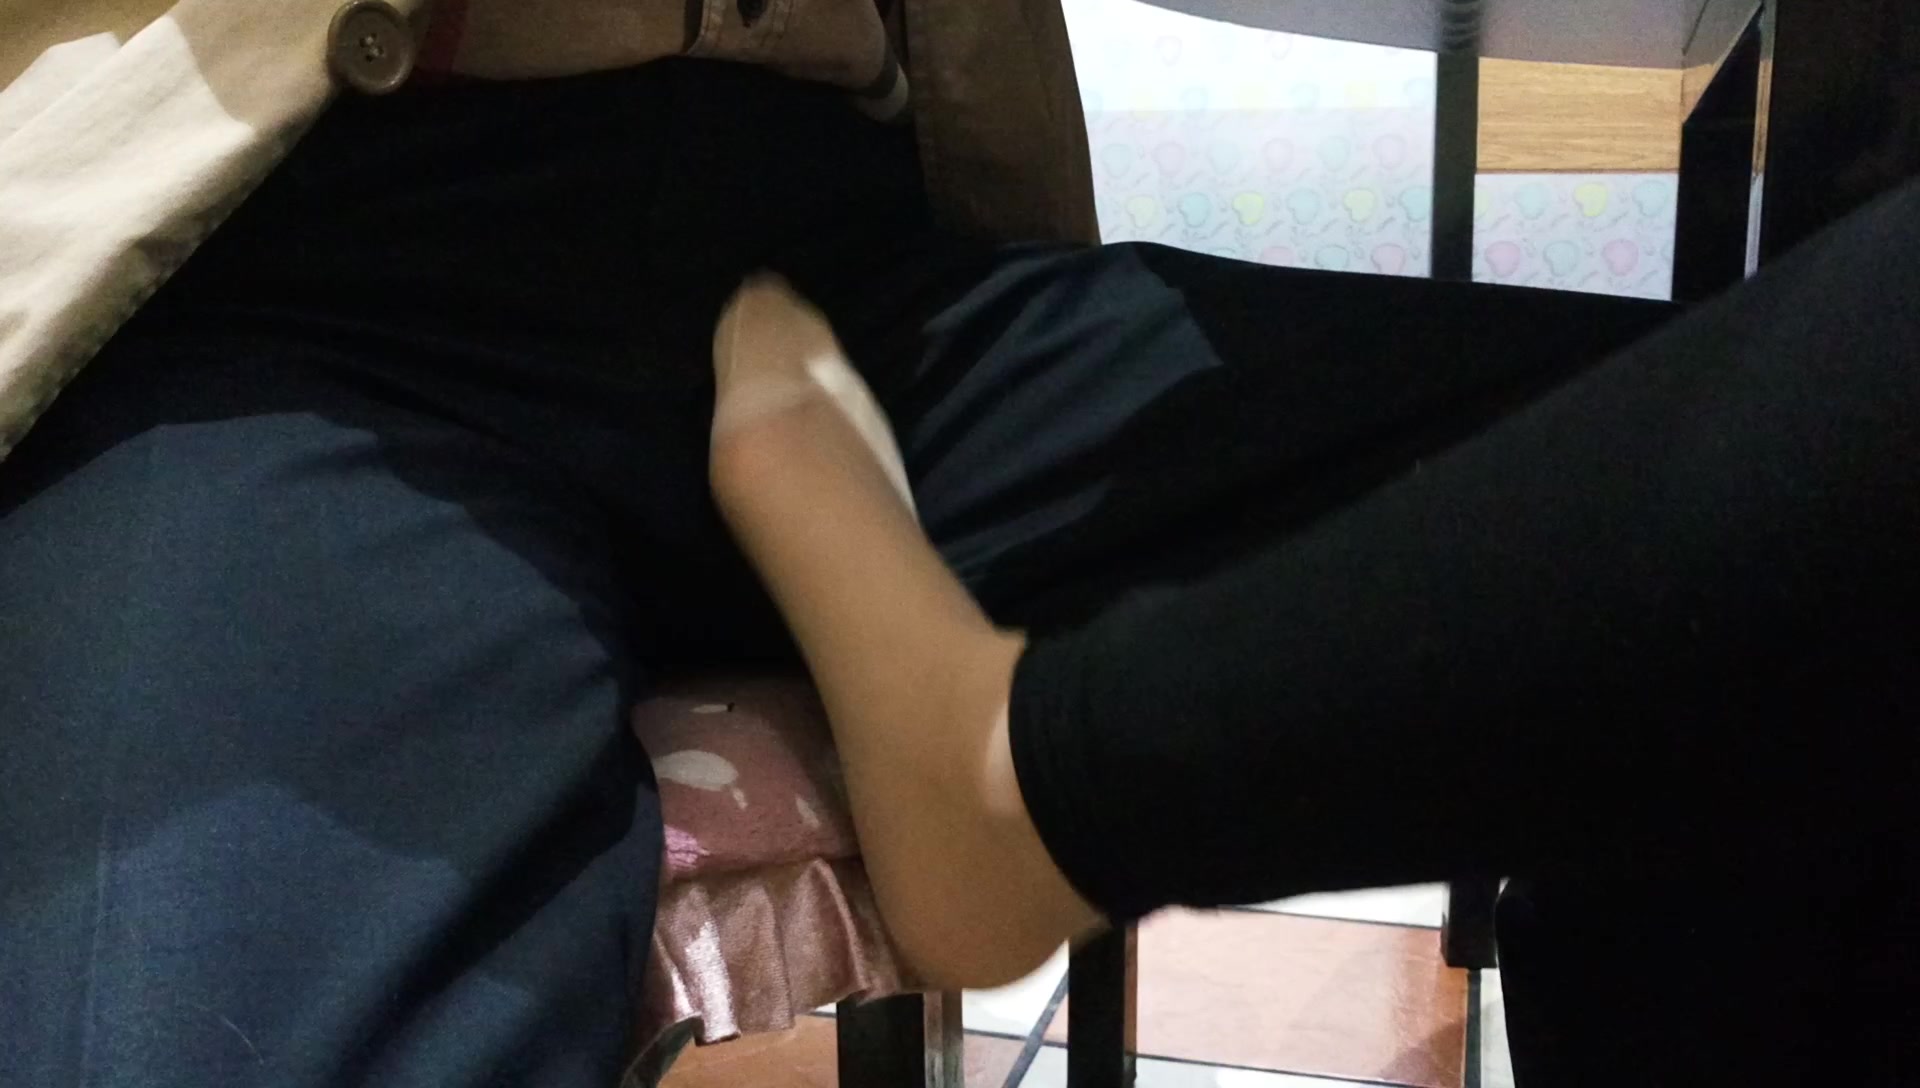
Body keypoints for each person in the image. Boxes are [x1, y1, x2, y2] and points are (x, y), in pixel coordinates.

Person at [1, 5, 1911, 1088]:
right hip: (305, 275)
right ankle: (1023, 785)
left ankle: (1025, 787)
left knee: (1769, 591)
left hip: (847, 262)